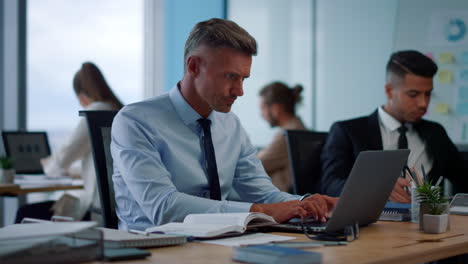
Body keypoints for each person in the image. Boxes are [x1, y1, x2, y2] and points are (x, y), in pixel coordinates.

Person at [111, 18, 337, 231]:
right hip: (153, 248)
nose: (239, 91)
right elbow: (164, 207)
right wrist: (258, 211)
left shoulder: (230, 125)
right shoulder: (135, 121)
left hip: (219, 243)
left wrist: (306, 203)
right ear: (194, 66)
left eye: (243, 79)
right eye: (230, 77)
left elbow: (264, 195)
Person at [320, 50, 468, 202]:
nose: (423, 103)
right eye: (413, 95)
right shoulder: (348, 131)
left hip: (423, 220)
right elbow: (329, 185)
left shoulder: (435, 133)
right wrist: (375, 187)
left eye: (428, 94)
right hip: (372, 221)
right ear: (389, 91)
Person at [15, 62, 123, 223]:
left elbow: (64, 157)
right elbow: (103, 164)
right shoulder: (120, 110)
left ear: (81, 97)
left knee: (25, 212)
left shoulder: (95, 112)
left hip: (98, 210)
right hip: (119, 208)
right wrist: (74, 172)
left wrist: (47, 165)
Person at [257, 81, 306, 192]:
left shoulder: (288, 134)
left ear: (276, 108)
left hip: (276, 198)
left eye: (263, 108)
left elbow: (255, 165)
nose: (261, 114)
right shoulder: (298, 128)